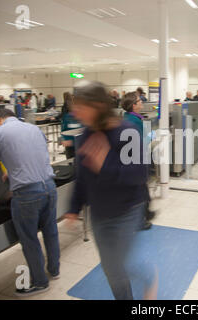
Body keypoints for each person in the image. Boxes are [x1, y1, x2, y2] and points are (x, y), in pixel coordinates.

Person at [64, 81, 157, 300]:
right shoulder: (87, 133)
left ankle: (148, 276)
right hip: (99, 212)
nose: (76, 112)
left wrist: (104, 166)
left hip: (127, 210)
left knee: (118, 264)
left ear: (97, 106)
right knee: (110, 268)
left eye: (81, 106)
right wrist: (73, 207)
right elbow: (83, 175)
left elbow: (139, 174)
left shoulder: (127, 130)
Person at [0, 108, 60, 297]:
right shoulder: (33, 129)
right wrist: (12, 169)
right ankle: (54, 270)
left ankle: (40, 282)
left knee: (29, 238)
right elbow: (34, 155)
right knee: (50, 230)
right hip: (49, 187)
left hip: (27, 194)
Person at [121, 91, 157, 230]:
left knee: (142, 188)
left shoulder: (128, 118)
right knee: (139, 190)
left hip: (133, 159)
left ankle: (147, 213)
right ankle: (140, 220)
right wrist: (151, 135)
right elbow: (141, 142)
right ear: (134, 105)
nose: (142, 101)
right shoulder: (134, 121)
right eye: (139, 100)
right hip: (136, 160)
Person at [61, 92, 82, 160]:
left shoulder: (84, 116)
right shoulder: (68, 116)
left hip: (78, 143)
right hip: (72, 143)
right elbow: (64, 129)